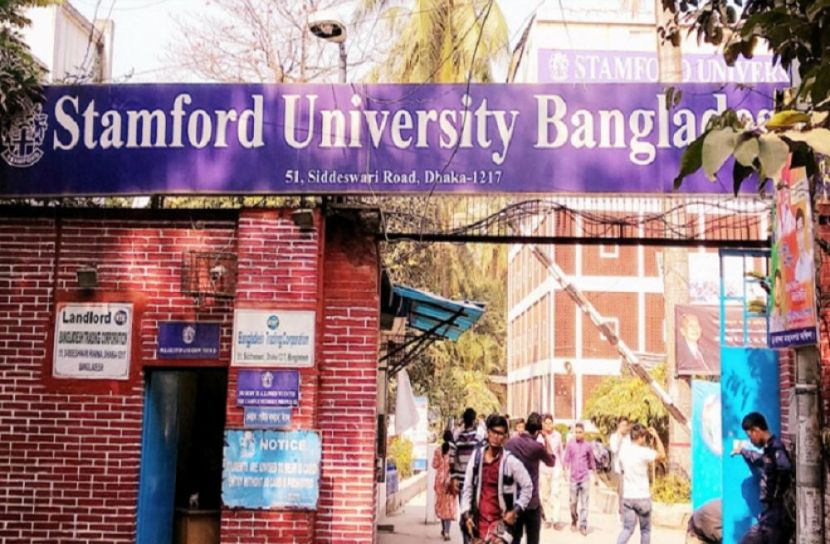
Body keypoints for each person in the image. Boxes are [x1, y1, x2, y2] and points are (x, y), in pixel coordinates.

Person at [460, 414, 533, 543]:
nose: (496, 436)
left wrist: (516, 510)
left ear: (505, 437)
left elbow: (527, 486)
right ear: (488, 433)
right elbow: (467, 487)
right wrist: (466, 514)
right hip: (479, 524)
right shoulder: (477, 457)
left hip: (501, 526)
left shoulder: (510, 462)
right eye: (493, 432)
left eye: (500, 434)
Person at [730, 412, 794, 544]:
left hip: (777, 514)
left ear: (756, 431)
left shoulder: (776, 447)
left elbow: (785, 468)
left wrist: (776, 497)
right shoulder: (769, 449)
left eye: (750, 436)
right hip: (771, 513)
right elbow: (760, 460)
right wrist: (742, 451)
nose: (751, 441)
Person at [505, 412, 555, 544]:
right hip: (532, 501)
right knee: (533, 540)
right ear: (538, 431)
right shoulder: (537, 447)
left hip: (515, 500)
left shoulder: (511, 443)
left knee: (514, 539)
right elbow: (551, 461)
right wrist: (546, 438)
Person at [616, 424, 666, 544]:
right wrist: (657, 437)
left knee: (627, 529)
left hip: (628, 497)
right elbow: (662, 455)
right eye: (644, 436)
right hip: (642, 496)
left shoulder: (623, 451)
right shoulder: (644, 452)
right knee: (645, 531)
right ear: (641, 437)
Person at [451, 408, 481, 543]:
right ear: (474, 421)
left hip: (462, 483)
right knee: (476, 514)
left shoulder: (458, 438)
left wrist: (454, 477)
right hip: (475, 483)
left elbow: (452, 459)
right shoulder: (478, 439)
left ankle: (466, 540)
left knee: (465, 513)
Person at [563, 422, 595, 536]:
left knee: (584, 503)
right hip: (573, 478)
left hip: (584, 478)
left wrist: (595, 475)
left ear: (583, 433)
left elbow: (591, 460)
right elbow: (566, 459)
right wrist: (565, 471)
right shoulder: (570, 445)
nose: (578, 434)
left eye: (580, 432)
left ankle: (583, 525)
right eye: (576, 432)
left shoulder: (588, 445)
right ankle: (574, 519)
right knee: (573, 502)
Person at [539, 414, 564, 530]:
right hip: (543, 468)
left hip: (555, 468)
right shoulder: (539, 437)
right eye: (546, 423)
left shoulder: (557, 436)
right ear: (543, 424)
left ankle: (556, 519)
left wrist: (564, 468)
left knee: (556, 493)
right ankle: (548, 518)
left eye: (550, 423)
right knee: (545, 495)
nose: (548, 425)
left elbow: (561, 452)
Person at [433, 430, 458, 541]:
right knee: (449, 507)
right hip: (450, 481)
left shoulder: (438, 450)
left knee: (442, 506)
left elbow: (434, 465)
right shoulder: (454, 450)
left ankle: (443, 529)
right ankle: (447, 532)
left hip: (440, 481)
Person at [609, 417, 631, 520]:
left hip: (629, 468)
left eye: (626, 425)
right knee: (622, 491)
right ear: (619, 426)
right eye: (623, 425)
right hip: (620, 468)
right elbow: (614, 449)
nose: (624, 427)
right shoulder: (614, 437)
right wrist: (619, 438)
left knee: (629, 492)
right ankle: (621, 513)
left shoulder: (629, 437)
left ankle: (628, 512)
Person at [794, 207, 814, 284]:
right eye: (797, 231)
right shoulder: (797, 266)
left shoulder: (810, 262)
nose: (799, 236)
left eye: (801, 229)